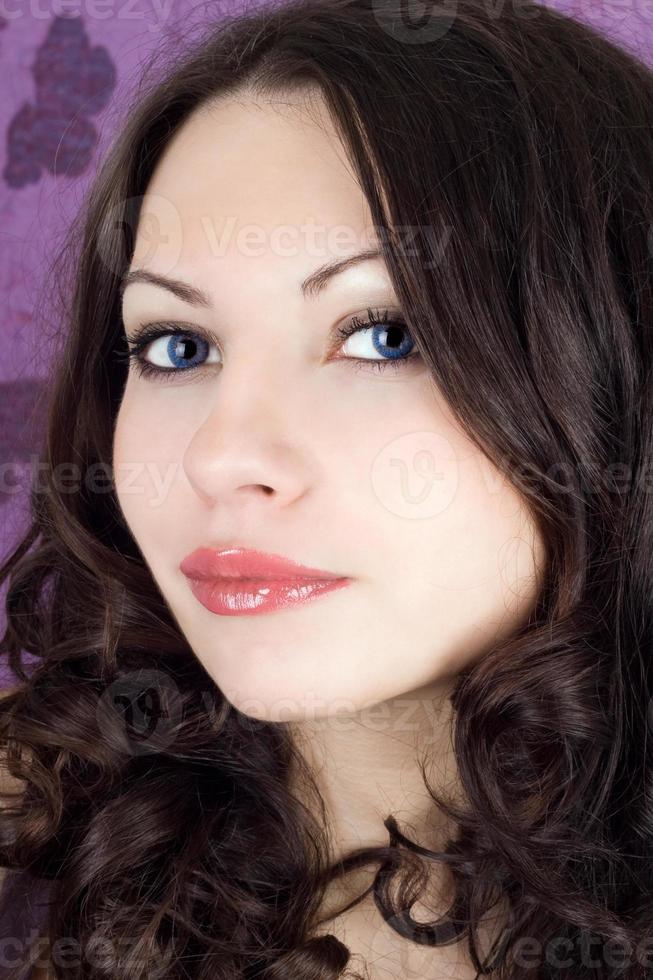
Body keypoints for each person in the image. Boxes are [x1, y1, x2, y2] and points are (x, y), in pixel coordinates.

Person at [0, 0, 652, 976]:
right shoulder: (36, 849)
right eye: (176, 346)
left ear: (612, 363)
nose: (220, 456)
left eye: (385, 333)